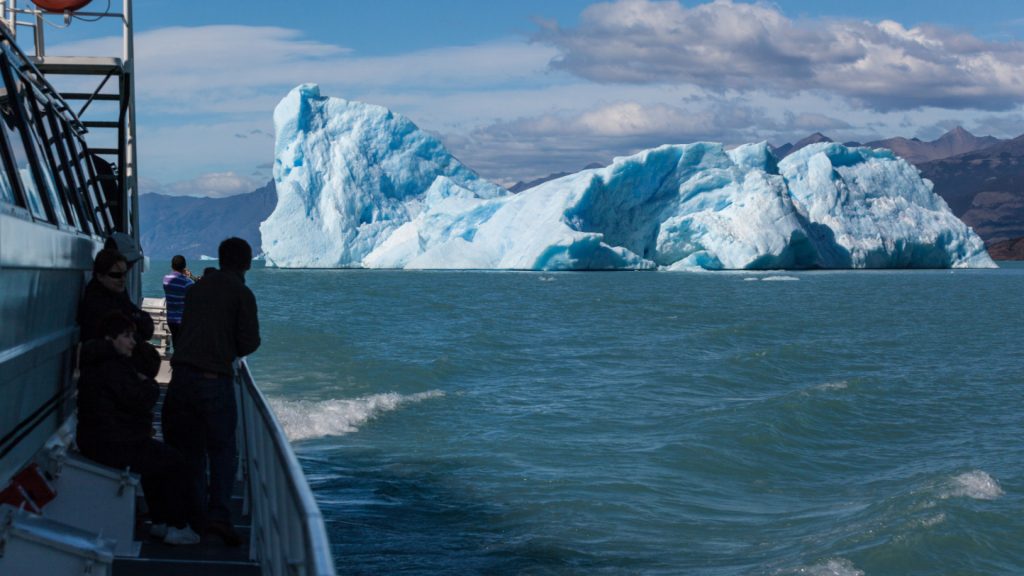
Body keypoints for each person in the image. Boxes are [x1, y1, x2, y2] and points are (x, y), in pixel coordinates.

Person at [162, 237, 260, 546]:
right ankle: (218, 518)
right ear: (247, 263)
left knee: (189, 450)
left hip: (181, 378)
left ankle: (194, 516)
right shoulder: (242, 294)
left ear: (220, 259)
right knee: (222, 451)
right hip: (214, 380)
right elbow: (249, 342)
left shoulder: (197, 290)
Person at [76, 311, 200, 545]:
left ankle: (162, 522)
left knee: (155, 462)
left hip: (100, 438)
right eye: (126, 336)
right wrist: (150, 385)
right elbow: (139, 399)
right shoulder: (111, 366)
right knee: (174, 463)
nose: (132, 341)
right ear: (110, 339)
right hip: (112, 443)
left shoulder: (99, 362)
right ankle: (175, 525)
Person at [78, 248, 161, 378]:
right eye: (116, 275)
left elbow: (146, 327)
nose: (122, 279)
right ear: (100, 276)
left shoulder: (119, 295)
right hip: (107, 375)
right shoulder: (96, 303)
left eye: (124, 274)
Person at [162, 255, 195, 350]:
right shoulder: (187, 282)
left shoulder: (166, 279)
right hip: (183, 320)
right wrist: (189, 277)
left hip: (171, 319)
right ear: (184, 267)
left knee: (176, 344)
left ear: (172, 266)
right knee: (185, 347)